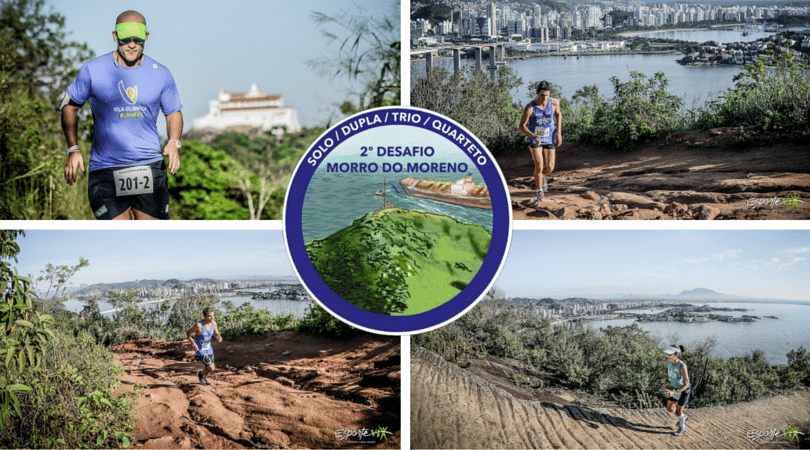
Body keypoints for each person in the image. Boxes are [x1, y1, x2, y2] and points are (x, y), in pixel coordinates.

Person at [59, 10, 183, 220]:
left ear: (146, 37)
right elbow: (69, 106)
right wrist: (73, 149)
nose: (132, 44)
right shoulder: (93, 70)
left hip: (149, 166)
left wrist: (174, 142)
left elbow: (173, 113)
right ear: (115, 36)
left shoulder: (161, 73)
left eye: (138, 39)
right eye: (126, 39)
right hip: (105, 169)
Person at [519, 80, 562, 203]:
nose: (545, 98)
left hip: (549, 137)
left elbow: (559, 114)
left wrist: (559, 133)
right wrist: (533, 136)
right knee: (539, 165)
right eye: (542, 95)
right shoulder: (530, 108)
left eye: (547, 95)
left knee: (550, 167)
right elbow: (521, 126)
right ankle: (539, 191)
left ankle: (542, 177)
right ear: (537, 93)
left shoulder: (554, 103)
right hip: (535, 139)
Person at [187, 307, 222, 386]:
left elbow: (216, 332)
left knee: (210, 369)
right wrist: (193, 344)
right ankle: (200, 374)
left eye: (213, 316)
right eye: (209, 316)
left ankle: (203, 377)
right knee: (211, 367)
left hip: (209, 349)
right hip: (200, 349)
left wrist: (218, 336)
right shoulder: (199, 325)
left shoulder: (214, 323)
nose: (212, 318)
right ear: (204, 316)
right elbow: (188, 333)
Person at [662, 345, 691, 436]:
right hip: (675, 389)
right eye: (667, 353)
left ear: (676, 354)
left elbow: (686, 383)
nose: (667, 356)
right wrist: (667, 382)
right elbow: (672, 375)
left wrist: (673, 392)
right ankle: (683, 417)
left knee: (678, 412)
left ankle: (683, 428)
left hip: (683, 390)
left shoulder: (682, 366)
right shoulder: (669, 363)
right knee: (670, 409)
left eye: (669, 354)